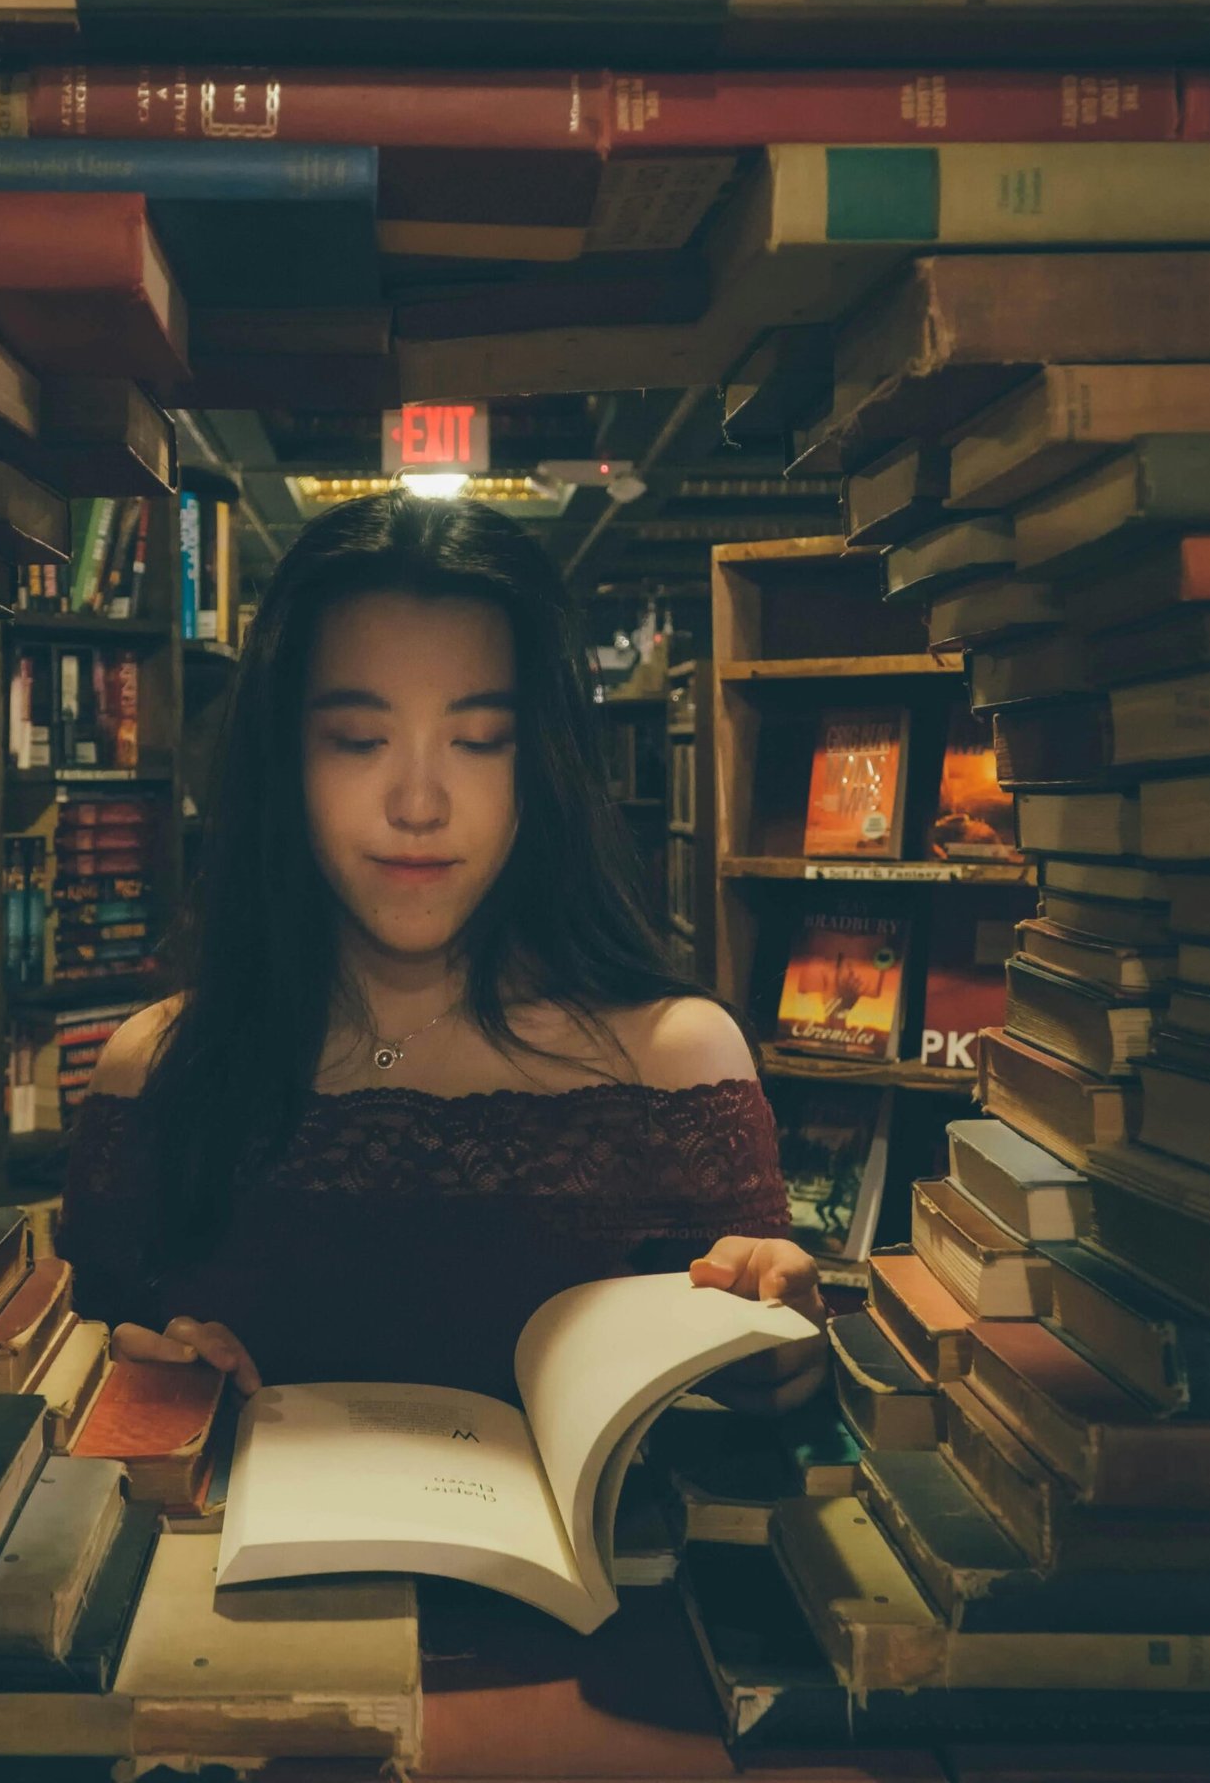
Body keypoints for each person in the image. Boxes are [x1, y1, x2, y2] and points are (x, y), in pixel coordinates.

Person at [58, 492, 827, 1411]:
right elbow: (86, 1377)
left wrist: (785, 1348)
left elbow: (764, 1415)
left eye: (477, 741)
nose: (418, 804)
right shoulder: (154, 1069)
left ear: (539, 765)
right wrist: (142, 1378)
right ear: (285, 761)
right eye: (358, 740)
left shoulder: (673, 1064)